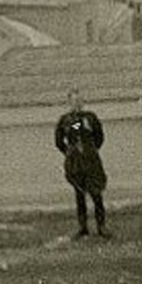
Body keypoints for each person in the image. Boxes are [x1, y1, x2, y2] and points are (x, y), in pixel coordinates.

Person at [54, 87, 110, 240]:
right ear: (69, 102)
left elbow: (99, 136)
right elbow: (61, 138)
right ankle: (83, 227)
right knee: (79, 193)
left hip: (91, 159)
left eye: (79, 101)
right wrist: (69, 152)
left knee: (96, 193)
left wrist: (91, 149)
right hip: (75, 161)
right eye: (74, 101)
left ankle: (101, 226)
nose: (77, 104)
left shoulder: (91, 117)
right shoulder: (65, 119)